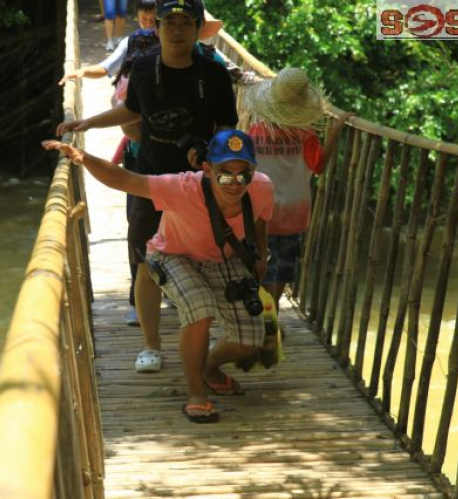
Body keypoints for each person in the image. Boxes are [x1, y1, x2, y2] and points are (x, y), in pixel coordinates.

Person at [42, 129, 274, 423]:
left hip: (223, 261)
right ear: (207, 169)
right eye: (225, 174)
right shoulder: (182, 187)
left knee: (250, 340)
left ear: (254, 172)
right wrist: (83, 158)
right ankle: (196, 394)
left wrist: (261, 256)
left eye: (244, 175)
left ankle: (208, 367)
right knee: (199, 306)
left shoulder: (262, 188)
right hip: (172, 255)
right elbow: (127, 180)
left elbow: (262, 221)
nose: (235, 183)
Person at [56, 0, 238, 374]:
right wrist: (86, 124)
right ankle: (151, 345)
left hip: (198, 185)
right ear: (155, 28)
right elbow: (132, 111)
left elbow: (226, 127)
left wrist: (215, 163)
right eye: (168, 22)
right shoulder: (141, 68)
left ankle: (201, 347)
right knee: (145, 261)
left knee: (202, 259)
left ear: (197, 28)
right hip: (150, 179)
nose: (176, 30)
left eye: (185, 22)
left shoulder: (214, 74)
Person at [243, 68, 354, 312]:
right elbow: (319, 166)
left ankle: (263, 313)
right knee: (284, 265)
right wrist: (335, 132)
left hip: (260, 212)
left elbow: (246, 168)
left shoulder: (254, 134)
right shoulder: (306, 136)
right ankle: (274, 315)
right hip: (295, 211)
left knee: (262, 261)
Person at [59, 0, 157, 87]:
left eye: (152, 20)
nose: (148, 24)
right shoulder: (129, 42)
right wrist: (83, 71)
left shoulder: (169, 41)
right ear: (137, 17)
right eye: (144, 19)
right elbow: (107, 67)